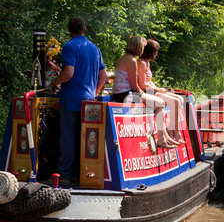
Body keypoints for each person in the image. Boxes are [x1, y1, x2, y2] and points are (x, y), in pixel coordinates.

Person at [50, 17, 107, 183]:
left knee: (67, 137)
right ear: (85, 29)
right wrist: (93, 93)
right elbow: (103, 76)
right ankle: (83, 174)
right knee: (86, 138)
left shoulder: (69, 46)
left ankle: (65, 175)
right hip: (89, 101)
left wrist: (54, 82)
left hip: (72, 99)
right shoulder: (95, 48)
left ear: (69, 30)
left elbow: (68, 73)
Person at [113, 36, 176, 149]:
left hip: (122, 93)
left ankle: (164, 137)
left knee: (157, 101)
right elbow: (134, 86)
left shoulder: (124, 57)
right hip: (125, 95)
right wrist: (144, 94)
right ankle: (161, 140)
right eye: (142, 47)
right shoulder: (131, 61)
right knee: (160, 103)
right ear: (139, 47)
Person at [138, 39, 185, 145]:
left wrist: (159, 89)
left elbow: (148, 81)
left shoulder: (147, 62)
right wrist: (159, 90)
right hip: (146, 91)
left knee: (180, 99)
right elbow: (142, 84)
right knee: (175, 102)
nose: (157, 53)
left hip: (150, 89)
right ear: (150, 51)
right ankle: (175, 132)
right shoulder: (141, 63)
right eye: (156, 51)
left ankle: (171, 129)